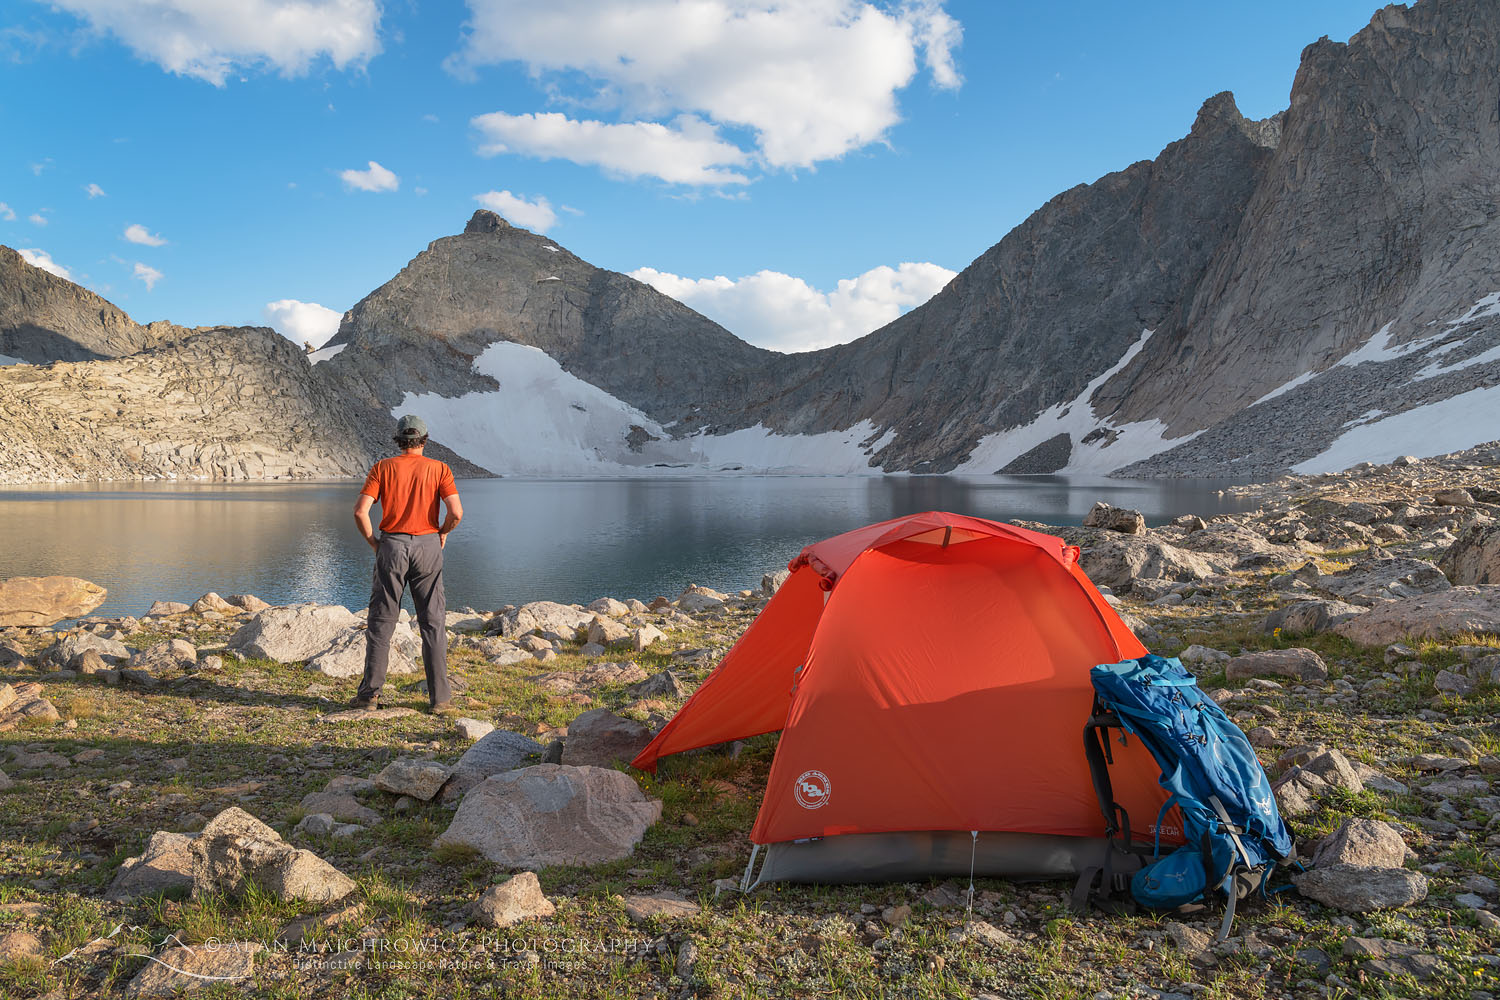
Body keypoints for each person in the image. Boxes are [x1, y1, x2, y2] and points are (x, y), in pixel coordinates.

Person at [351, 414, 463, 712]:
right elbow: (456, 512)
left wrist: (374, 542)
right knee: (433, 622)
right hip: (428, 546)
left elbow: (361, 512)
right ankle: (440, 699)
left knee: (382, 622)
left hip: (391, 546)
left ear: (399, 440)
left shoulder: (383, 468)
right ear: (424, 441)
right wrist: (442, 533)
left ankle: (369, 696)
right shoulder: (440, 469)